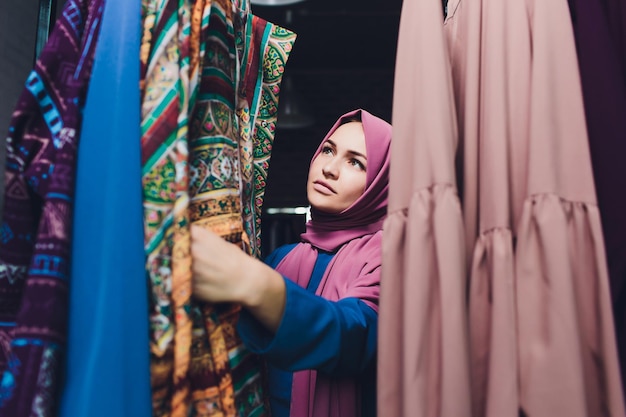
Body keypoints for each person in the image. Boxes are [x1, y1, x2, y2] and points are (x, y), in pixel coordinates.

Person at [190, 108, 392, 417]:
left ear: (381, 185)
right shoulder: (282, 258)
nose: (330, 169)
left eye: (355, 162)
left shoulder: (388, 259)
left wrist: (257, 285)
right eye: (328, 150)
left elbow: (354, 336)